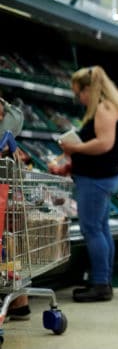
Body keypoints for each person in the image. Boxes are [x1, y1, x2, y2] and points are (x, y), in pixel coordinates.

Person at [59, 66, 118, 302]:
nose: (79, 98)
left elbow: (104, 143)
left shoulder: (104, 108)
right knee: (101, 229)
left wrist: (74, 148)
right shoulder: (111, 106)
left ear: (89, 89)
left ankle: (100, 284)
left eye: (79, 93)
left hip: (96, 178)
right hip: (102, 176)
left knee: (91, 229)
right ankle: (103, 280)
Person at [0, 96, 32, 319]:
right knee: (9, 241)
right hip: (7, 186)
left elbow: (12, 124)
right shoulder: (11, 115)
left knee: (7, 240)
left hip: (4, 187)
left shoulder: (10, 117)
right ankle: (19, 300)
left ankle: (19, 298)